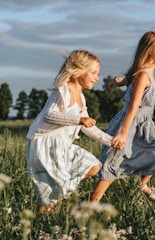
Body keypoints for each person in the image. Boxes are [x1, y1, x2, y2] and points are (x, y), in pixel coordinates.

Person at [90, 31, 155, 202]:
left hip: (144, 124)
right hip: (129, 124)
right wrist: (123, 133)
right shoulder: (142, 76)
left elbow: (130, 79)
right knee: (112, 165)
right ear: (151, 52)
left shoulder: (144, 74)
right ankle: (91, 204)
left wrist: (122, 82)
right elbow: (133, 106)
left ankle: (142, 185)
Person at [26, 50, 121, 213]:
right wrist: (78, 120)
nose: (97, 78)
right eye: (93, 73)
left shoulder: (81, 97)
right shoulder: (62, 91)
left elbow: (89, 128)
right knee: (53, 191)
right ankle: (42, 217)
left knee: (93, 166)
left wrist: (111, 141)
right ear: (79, 70)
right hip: (46, 145)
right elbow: (49, 115)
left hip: (62, 146)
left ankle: (49, 202)